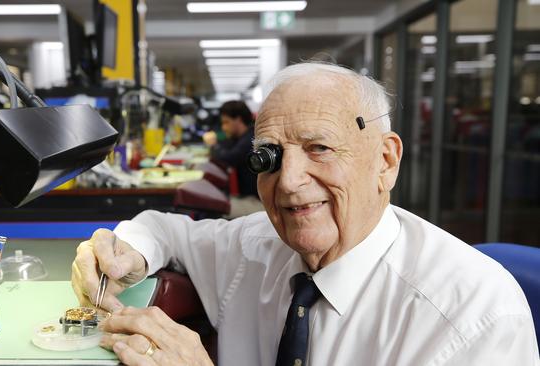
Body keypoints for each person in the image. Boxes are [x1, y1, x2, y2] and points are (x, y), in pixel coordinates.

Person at [72, 63, 539, 365]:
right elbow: (165, 230)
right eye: (269, 156)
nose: (289, 181)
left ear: (385, 161)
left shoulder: (473, 318)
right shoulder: (254, 247)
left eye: (319, 148)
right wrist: (127, 251)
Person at [202, 101, 264, 218]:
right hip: (246, 198)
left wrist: (213, 146)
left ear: (238, 120)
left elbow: (228, 158)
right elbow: (226, 146)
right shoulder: (242, 137)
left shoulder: (251, 140)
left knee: (210, 210)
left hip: (257, 203)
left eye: (226, 122)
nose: (223, 127)